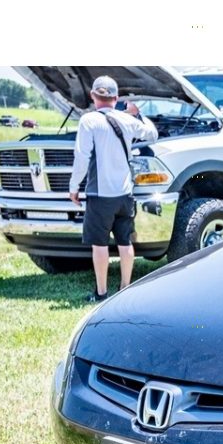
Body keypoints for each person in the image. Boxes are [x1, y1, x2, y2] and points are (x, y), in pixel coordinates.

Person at [69, 75, 158, 302]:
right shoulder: (127, 120)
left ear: (93, 96)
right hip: (125, 193)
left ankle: (101, 293)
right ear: (116, 98)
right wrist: (137, 113)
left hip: (100, 193)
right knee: (124, 241)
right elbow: (152, 134)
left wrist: (74, 187)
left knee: (99, 244)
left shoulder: (88, 120)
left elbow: (82, 157)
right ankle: (125, 289)